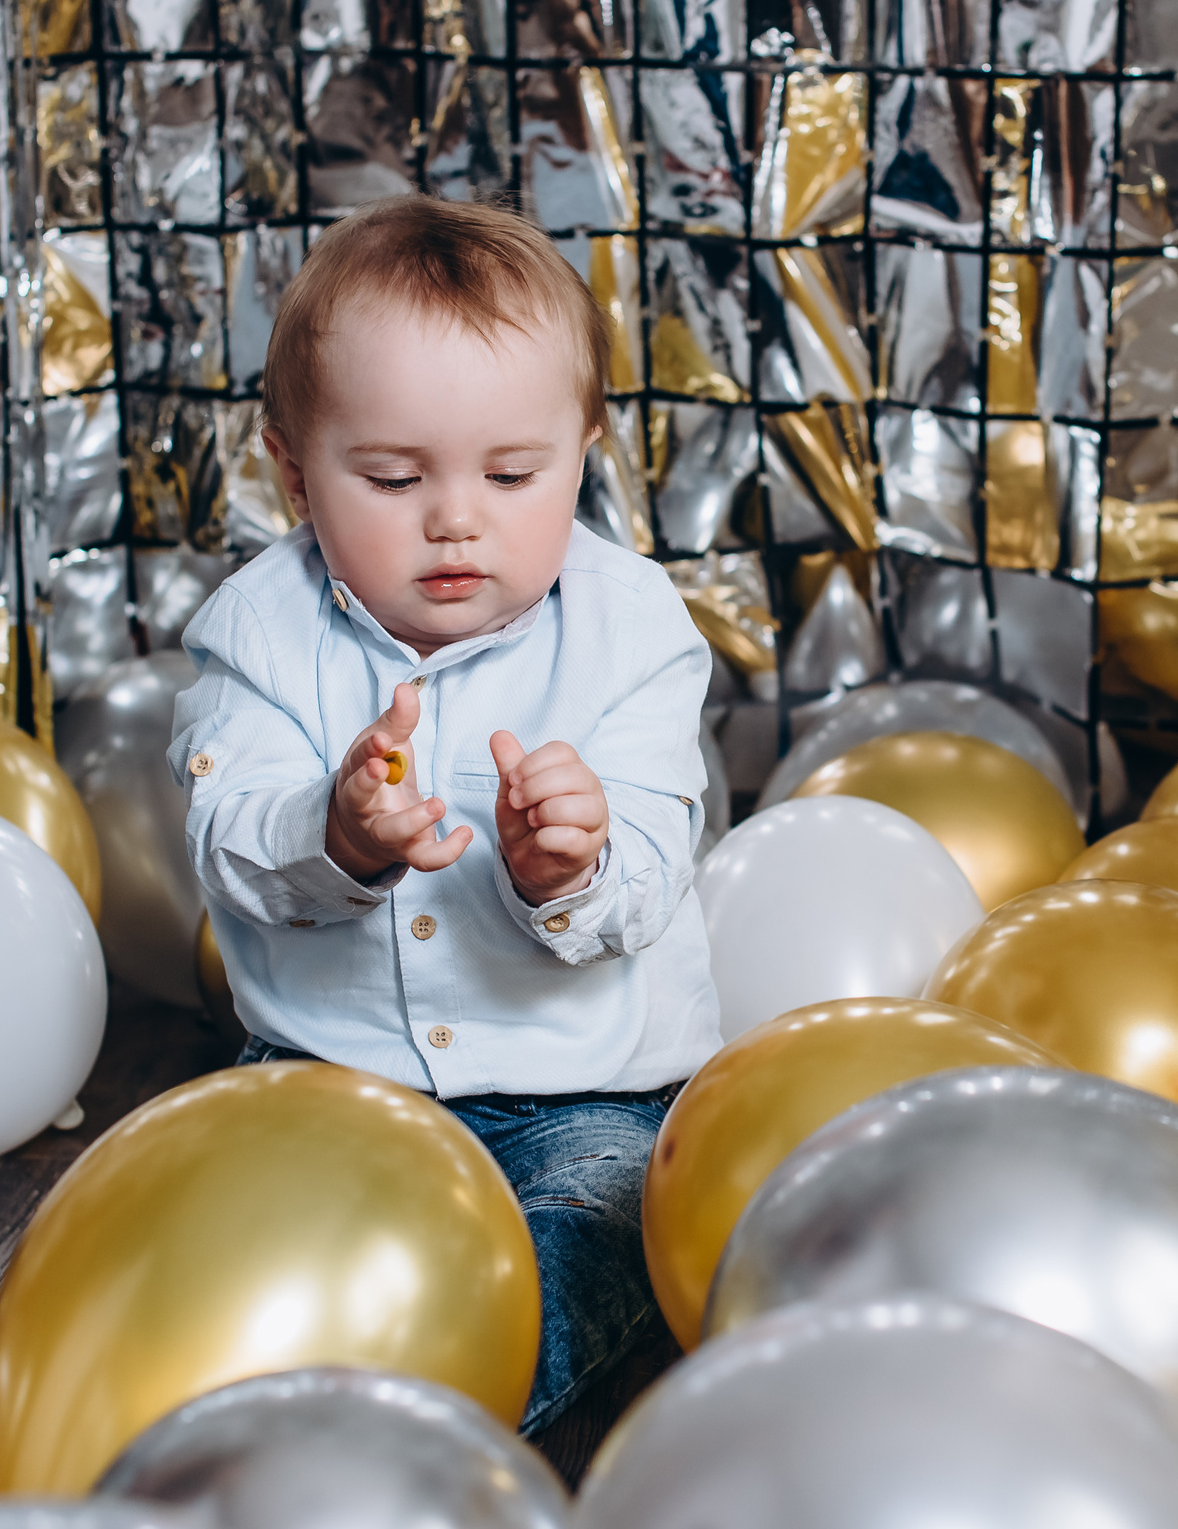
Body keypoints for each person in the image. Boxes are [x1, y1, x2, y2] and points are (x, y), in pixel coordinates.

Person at [169, 193, 720, 1449]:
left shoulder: (633, 626)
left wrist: (568, 867)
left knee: (598, 1236)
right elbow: (229, 838)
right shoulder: (257, 631)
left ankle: (416, 1429)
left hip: (587, 1091)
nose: (456, 516)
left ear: (583, 451)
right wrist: (337, 833)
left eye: (513, 474)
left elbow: (649, 864)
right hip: (326, 1077)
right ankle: (232, 1400)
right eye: (392, 477)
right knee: (219, 1229)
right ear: (293, 470)